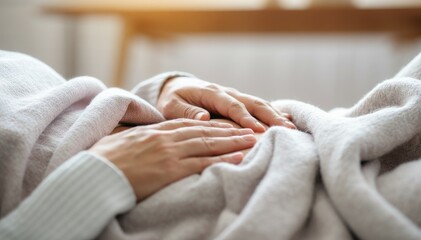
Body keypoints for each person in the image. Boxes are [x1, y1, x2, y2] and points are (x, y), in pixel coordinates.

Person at [0, 51, 295, 239]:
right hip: (238, 196)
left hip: (293, 136)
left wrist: (165, 90)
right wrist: (97, 177)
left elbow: (71, 106)